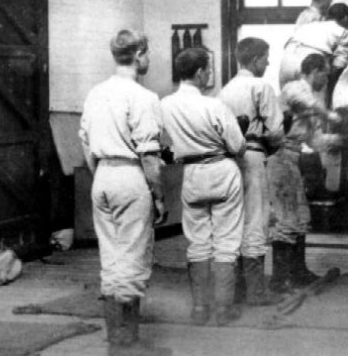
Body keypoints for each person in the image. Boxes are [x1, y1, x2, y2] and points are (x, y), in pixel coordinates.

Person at [78, 30, 170, 356]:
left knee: (111, 258)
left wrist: (102, 174)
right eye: (148, 54)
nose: (149, 59)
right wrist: (158, 196)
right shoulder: (143, 97)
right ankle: (125, 345)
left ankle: (116, 341)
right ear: (139, 53)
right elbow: (149, 156)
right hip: (131, 177)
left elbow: (86, 143)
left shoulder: (95, 93)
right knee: (132, 258)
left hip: (102, 175)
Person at [160, 47, 247, 327]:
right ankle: (223, 309)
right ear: (199, 73)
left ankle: (199, 308)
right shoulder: (214, 105)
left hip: (193, 173)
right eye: (208, 69)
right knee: (227, 242)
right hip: (222, 170)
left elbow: (165, 146)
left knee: (198, 242)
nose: (210, 74)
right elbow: (238, 146)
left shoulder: (164, 105)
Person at [218, 37, 284, 306]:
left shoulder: (225, 90)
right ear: (256, 60)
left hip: (228, 161)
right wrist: (275, 146)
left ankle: (235, 291)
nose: (268, 63)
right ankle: (256, 293)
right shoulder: (261, 86)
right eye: (266, 58)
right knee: (256, 220)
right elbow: (277, 130)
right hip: (255, 155)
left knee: (233, 223)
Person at [268, 53, 341, 294]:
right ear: (315, 71)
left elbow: (316, 141)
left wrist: (341, 137)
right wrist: (329, 115)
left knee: (300, 218)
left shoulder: (313, 99)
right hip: (279, 157)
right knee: (287, 220)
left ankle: (298, 273)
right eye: (325, 73)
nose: (326, 78)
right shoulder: (294, 88)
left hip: (293, 159)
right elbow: (307, 104)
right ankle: (280, 280)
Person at [279, 2, 348, 99]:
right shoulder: (344, 32)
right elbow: (338, 66)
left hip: (287, 61)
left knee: (288, 102)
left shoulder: (309, 25)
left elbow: (287, 43)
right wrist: (330, 90)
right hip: (309, 63)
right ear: (345, 18)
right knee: (314, 105)